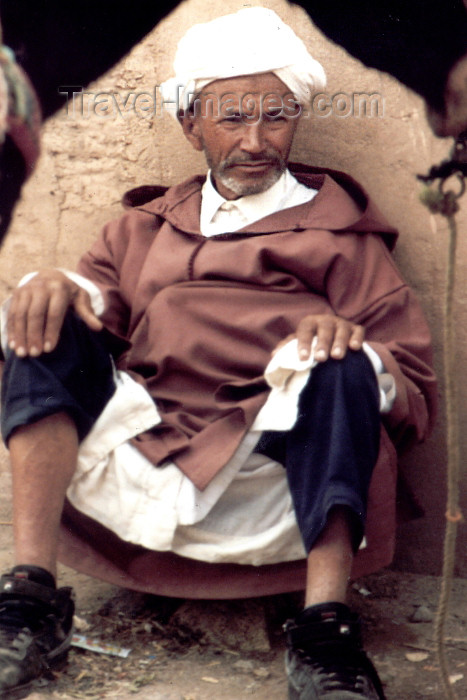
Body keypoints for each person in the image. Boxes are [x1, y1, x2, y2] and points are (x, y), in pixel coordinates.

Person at [0, 8, 436, 699]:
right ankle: (28, 601)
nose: (257, 141)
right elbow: (98, 307)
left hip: (277, 454)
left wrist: (353, 351)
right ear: (189, 124)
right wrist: (54, 285)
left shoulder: (344, 235)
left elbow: (408, 373)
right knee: (40, 315)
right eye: (232, 120)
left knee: (342, 365)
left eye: (275, 117)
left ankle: (325, 631)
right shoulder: (142, 228)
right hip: (149, 439)